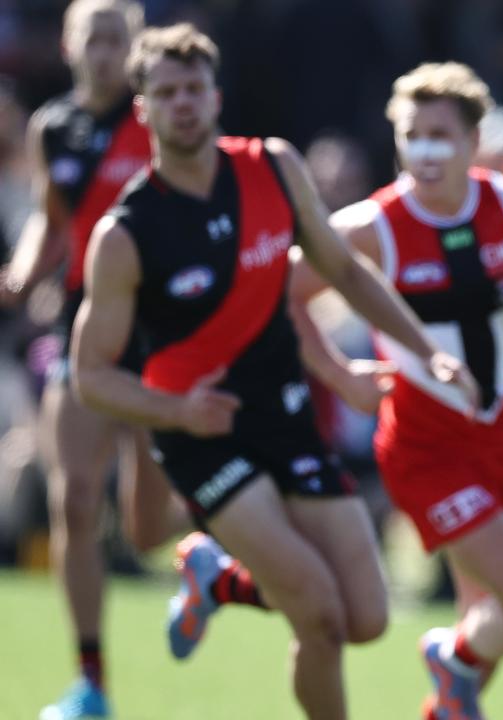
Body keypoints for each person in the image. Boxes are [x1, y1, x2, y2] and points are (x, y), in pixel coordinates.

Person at [70, 25, 476, 720]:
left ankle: (218, 579)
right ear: (143, 111)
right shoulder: (126, 235)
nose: (184, 104)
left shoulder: (273, 167)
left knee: (366, 616)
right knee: (317, 613)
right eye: (165, 93)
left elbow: (342, 269)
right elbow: (90, 377)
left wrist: (422, 347)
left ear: (216, 94)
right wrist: (176, 413)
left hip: (285, 418)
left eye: (194, 88)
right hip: (202, 434)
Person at [288, 62, 503, 719]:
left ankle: (450, 688)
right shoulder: (369, 225)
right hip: (424, 445)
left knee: (484, 622)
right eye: (412, 135)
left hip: (500, 437)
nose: (425, 149)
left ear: (472, 140)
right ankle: (452, 655)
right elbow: (281, 299)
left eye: (440, 134)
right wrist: (340, 377)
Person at [0, 4, 177, 717]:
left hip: (162, 338)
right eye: (92, 39)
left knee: (146, 528)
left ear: (132, 48)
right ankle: (91, 680)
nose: (103, 52)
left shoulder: (164, 118)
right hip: (84, 333)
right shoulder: (55, 128)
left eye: (116, 40)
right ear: (70, 46)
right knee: (73, 497)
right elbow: (51, 218)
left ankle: (208, 558)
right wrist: (21, 269)